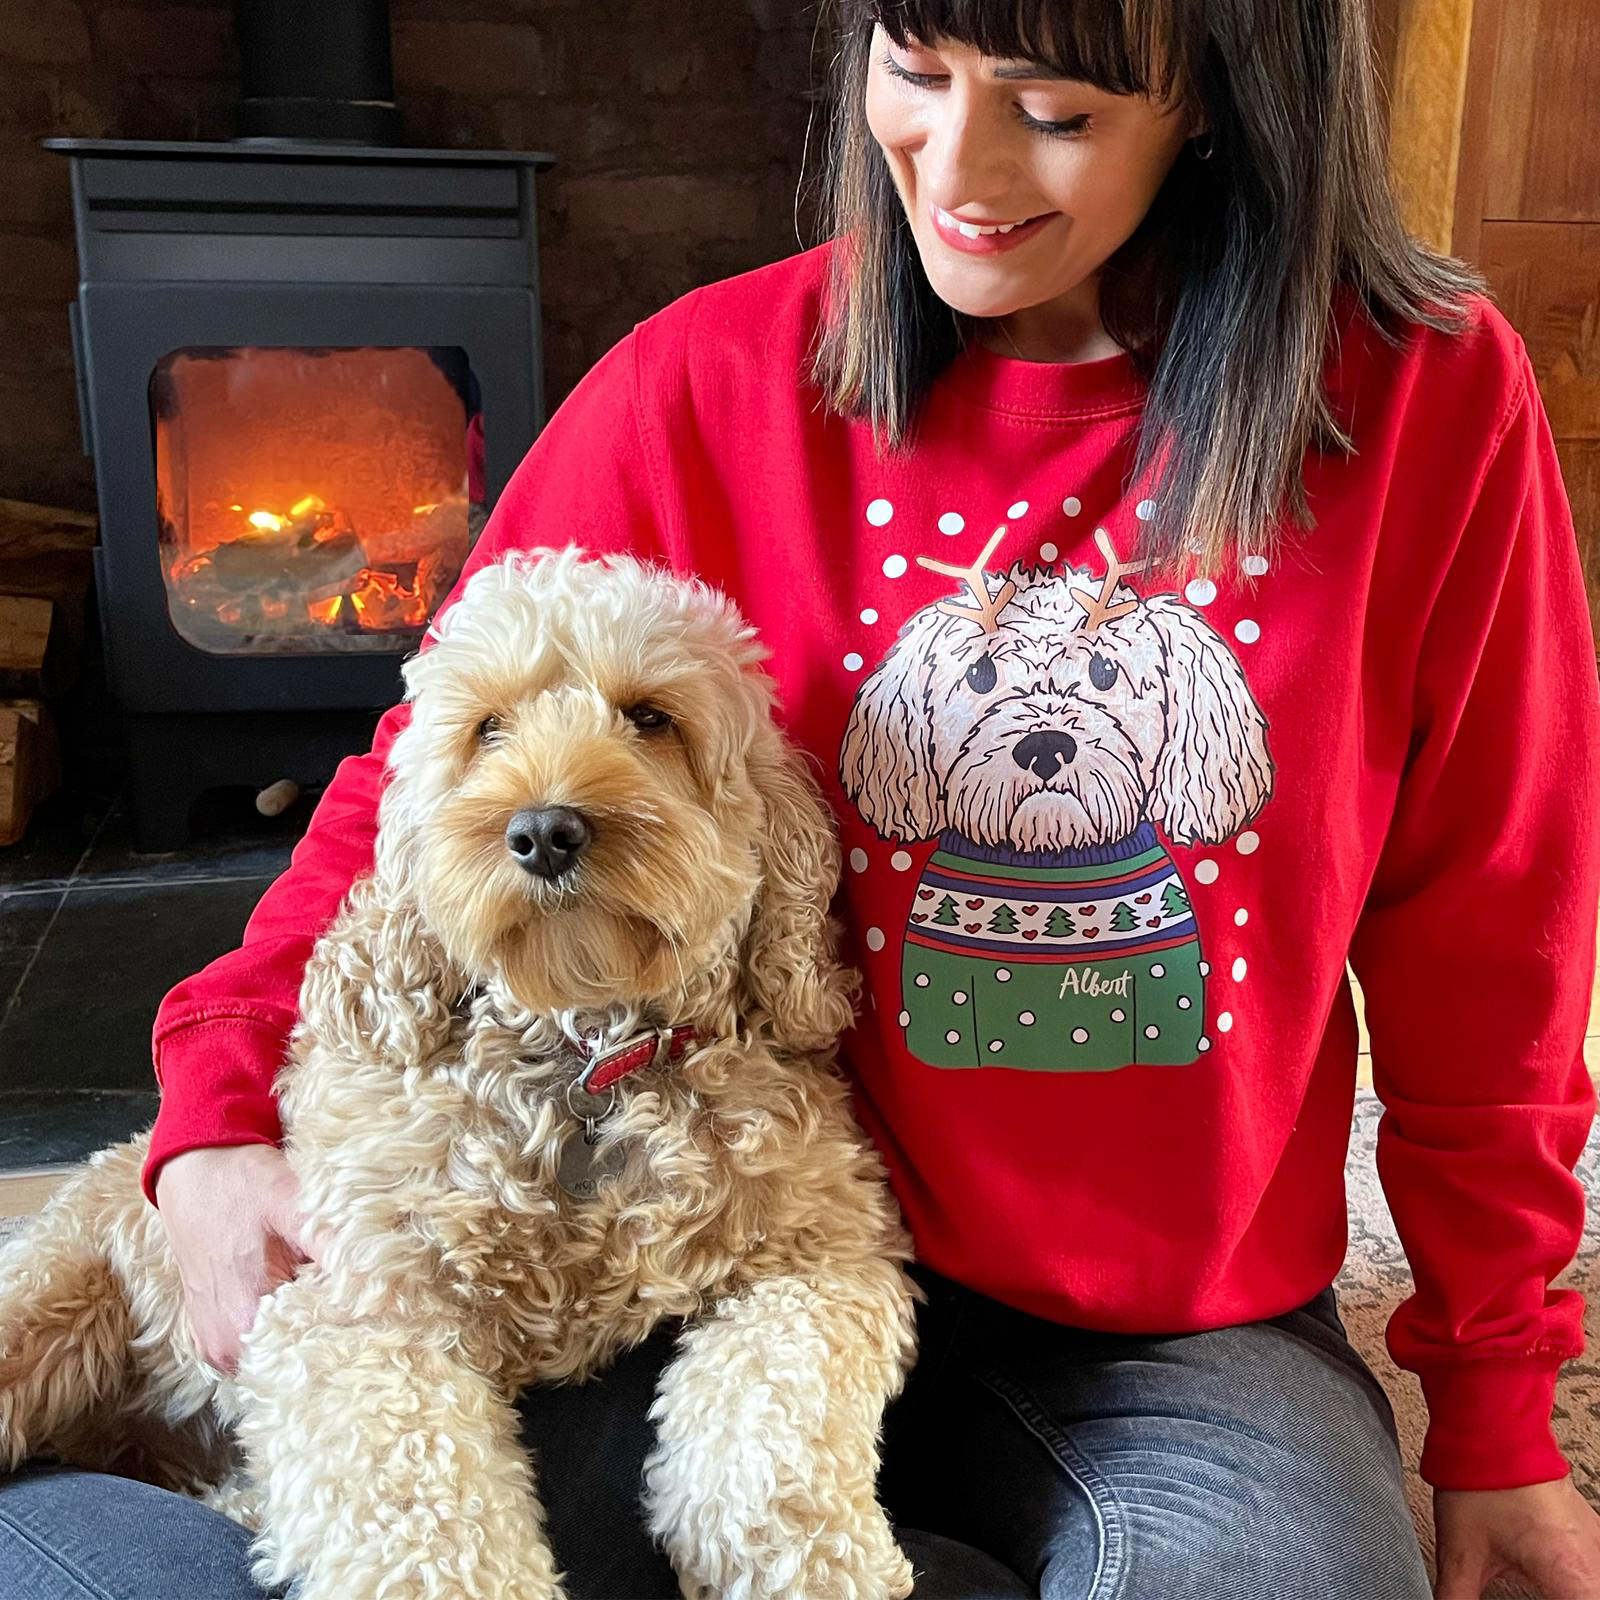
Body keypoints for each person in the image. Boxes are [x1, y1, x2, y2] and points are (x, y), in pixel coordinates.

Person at [6, 1, 1599, 1596]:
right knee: (389, 1531)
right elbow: (421, 779)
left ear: (1219, 99)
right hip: (696, 1254)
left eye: (1052, 108)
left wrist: (1500, 1413)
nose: (956, 166)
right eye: (914, 72)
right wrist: (212, 1112)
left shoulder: (1426, 402)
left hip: (1166, 1324)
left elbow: (1496, 929)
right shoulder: (694, 384)